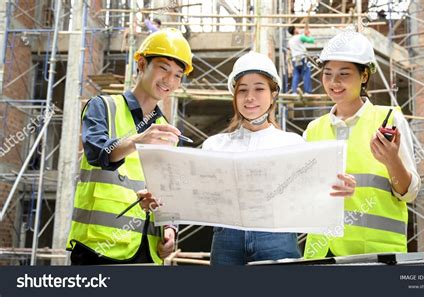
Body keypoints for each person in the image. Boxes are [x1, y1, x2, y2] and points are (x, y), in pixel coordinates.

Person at [201, 51, 356, 265]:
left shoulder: (292, 144)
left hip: (277, 236)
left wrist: (337, 190)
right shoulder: (215, 145)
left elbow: (309, 195)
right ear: (234, 96)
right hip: (227, 237)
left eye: (259, 89)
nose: (250, 98)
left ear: (274, 94)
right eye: (242, 90)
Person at [66, 28, 193, 265]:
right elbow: (97, 152)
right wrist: (137, 140)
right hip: (99, 249)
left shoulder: (166, 129)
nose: (169, 81)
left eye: (177, 75)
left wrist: (170, 229)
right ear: (142, 64)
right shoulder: (102, 107)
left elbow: (169, 191)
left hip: (147, 251)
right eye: (163, 68)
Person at [303, 29, 420, 259]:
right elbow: (300, 195)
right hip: (321, 255)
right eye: (328, 74)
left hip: (377, 255)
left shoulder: (388, 120)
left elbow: (409, 193)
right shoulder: (313, 130)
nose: (334, 82)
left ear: (364, 76)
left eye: (344, 74)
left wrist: (392, 160)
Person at [288, 23, 314, 94]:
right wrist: (308, 34)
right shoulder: (300, 37)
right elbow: (312, 40)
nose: (298, 29)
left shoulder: (290, 40)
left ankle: (294, 92)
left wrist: (304, 35)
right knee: (306, 73)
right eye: (296, 28)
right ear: (294, 30)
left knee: (296, 75)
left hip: (295, 59)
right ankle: (307, 91)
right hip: (302, 57)